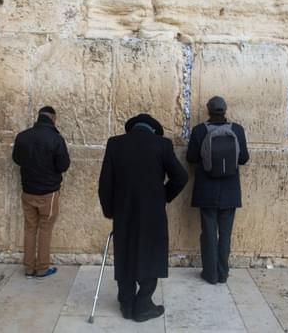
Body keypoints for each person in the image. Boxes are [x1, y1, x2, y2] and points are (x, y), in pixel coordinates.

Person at [99, 113, 188, 322]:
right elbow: (181, 177)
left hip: (124, 211)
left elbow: (105, 183)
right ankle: (144, 304)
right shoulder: (162, 145)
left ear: (131, 129)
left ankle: (126, 303)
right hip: (153, 213)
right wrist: (164, 197)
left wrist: (110, 211)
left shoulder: (115, 144)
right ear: (153, 130)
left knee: (125, 253)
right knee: (151, 253)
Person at [186, 96, 249, 284]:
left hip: (206, 190)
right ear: (225, 110)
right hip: (230, 191)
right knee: (225, 234)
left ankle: (210, 274)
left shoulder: (198, 131)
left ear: (208, 110)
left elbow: (190, 158)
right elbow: (244, 158)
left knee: (209, 233)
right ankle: (223, 273)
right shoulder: (237, 130)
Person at [13, 106, 70, 280]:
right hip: (48, 193)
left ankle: (29, 268)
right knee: (45, 230)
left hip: (28, 191)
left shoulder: (23, 136)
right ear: (53, 118)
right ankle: (42, 268)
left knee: (30, 229)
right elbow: (63, 165)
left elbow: (16, 159)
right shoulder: (56, 139)